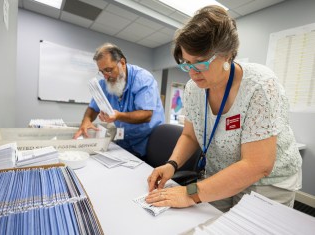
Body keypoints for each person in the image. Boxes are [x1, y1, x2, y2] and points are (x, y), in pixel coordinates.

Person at [146, 5, 302, 212]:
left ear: (228, 55)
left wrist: (189, 193)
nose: (192, 73)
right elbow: (190, 136)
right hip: (218, 174)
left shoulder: (261, 85)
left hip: (266, 183)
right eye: (187, 63)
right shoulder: (194, 89)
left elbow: (258, 165)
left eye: (200, 63)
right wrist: (171, 165)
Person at [74, 43, 165, 158]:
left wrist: (118, 116)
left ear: (122, 63)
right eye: (102, 72)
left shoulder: (143, 78)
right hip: (124, 140)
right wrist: (86, 121)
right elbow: (93, 108)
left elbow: (146, 115)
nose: (106, 76)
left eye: (109, 70)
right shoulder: (104, 83)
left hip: (148, 141)